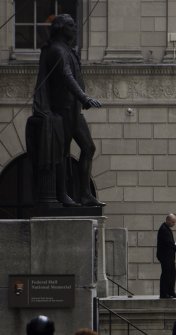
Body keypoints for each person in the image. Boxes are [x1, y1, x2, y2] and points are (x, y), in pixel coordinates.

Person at [33, 14, 104, 207]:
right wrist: (84, 97)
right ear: (61, 28)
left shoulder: (66, 50)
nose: (75, 29)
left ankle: (84, 194)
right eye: (71, 26)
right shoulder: (56, 50)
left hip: (73, 110)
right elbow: (66, 76)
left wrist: (82, 100)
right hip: (61, 110)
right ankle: (63, 194)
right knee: (62, 154)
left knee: (88, 148)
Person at [157, 213, 176, 298]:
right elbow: (168, 242)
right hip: (165, 256)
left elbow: (169, 242)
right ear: (168, 220)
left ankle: (170, 291)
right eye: (173, 222)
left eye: (174, 222)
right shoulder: (164, 229)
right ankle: (164, 294)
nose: (174, 224)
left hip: (169, 256)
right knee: (166, 274)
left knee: (172, 274)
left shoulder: (166, 228)